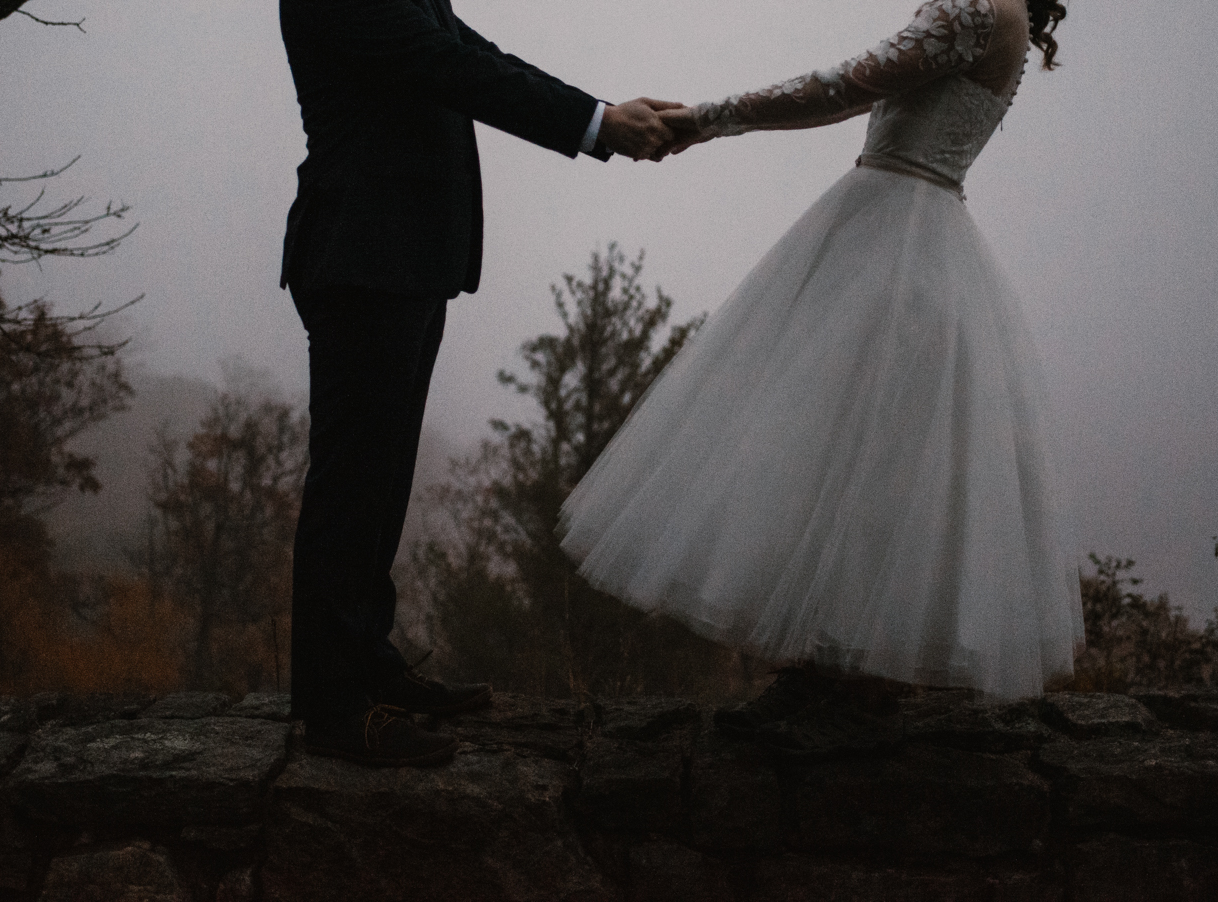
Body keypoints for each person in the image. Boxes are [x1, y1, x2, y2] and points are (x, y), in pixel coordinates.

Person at [559, 0, 1081, 754]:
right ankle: (834, 676)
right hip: (902, 235)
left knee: (860, 460)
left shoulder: (979, 7)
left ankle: (841, 682)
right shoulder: (1004, 17)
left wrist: (702, 119)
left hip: (895, 251)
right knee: (848, 458)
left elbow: (840, 87)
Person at [278, 0, 677, 767]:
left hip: (404, 256)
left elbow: (468, 48)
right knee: (351, 484)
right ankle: (333, 708)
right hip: (363, 255)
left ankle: (368, 664)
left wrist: (603, 114)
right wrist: (597, 123)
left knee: (381, 478)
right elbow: (454, 68)